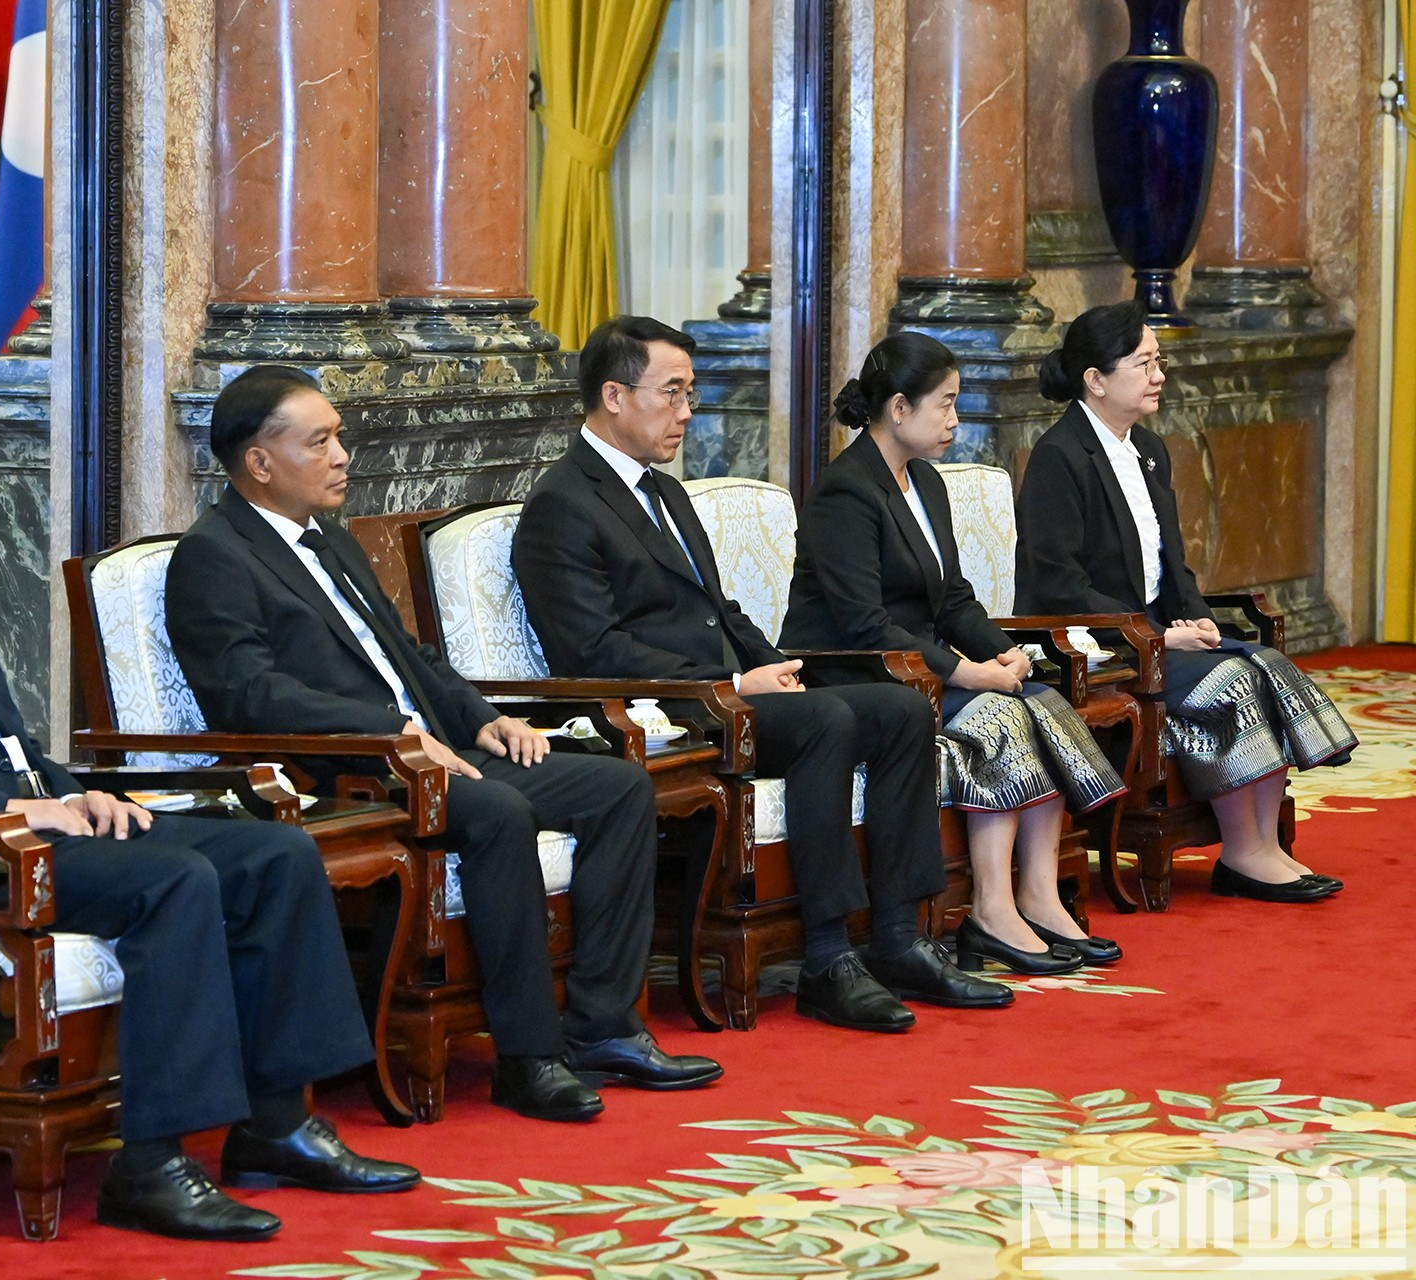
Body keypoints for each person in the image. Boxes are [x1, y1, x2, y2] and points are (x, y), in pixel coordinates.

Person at [0, 385, 418, 1244]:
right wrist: (17, 807)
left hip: (25, 824)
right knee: (175, 879)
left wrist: (71, 791)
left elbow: (3, 736)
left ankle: (277, 1126)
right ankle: (150, 1166)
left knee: (272, 855)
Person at [165, 365, 722, 1123]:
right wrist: (393, 732)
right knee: (495, 812)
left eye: (340, 438)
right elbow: (247, 695)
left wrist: (482, 717)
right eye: (321, 441)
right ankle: (527, 1058)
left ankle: (603, 1025)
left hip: (440, 748)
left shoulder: (326, 538)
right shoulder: (214, 555)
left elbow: (409, 655)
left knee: (619, 788)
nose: (342, 456)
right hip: (351, 770)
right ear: (259, 463)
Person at [512, 314, 1011, 1033]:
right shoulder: (563, 504)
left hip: (730, 695)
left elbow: (723, 610)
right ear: (615, 396)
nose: (687, 412)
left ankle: (901, 937)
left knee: (900, 710)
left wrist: (773, 664)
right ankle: (828, 957)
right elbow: (593, 652)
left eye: (691, 393)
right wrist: (735, 687)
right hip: (664, 708)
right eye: (673, 393)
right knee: (826, 719)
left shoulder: (667, 492)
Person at [780, 332, 1129, 973]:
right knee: (999, 716)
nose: (955, 419)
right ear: (899, 409)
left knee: (1040, 697)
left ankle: (1041, 897)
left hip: (919, 668)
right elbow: (863, 623)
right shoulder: (846, 491)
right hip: (851, 673)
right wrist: (965, 672)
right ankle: (992, 914)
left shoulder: (926, 485)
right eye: (944, 404)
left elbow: (955, 601)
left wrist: (1007, 655)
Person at [1016, 300, 1357, 904]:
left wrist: (1194, 614)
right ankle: (1245, 851)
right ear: (1095, 379)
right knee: (1230, 680)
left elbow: (1173, 561)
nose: (1159, 375)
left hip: (1157, 635)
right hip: (1098, 648)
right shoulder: (1059, 456)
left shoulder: (1147, 447)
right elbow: (1055, 584)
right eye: (1144, 363)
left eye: (1159, 361)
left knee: (1268, 665)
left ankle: (1264, 847)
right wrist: (1152, 635)